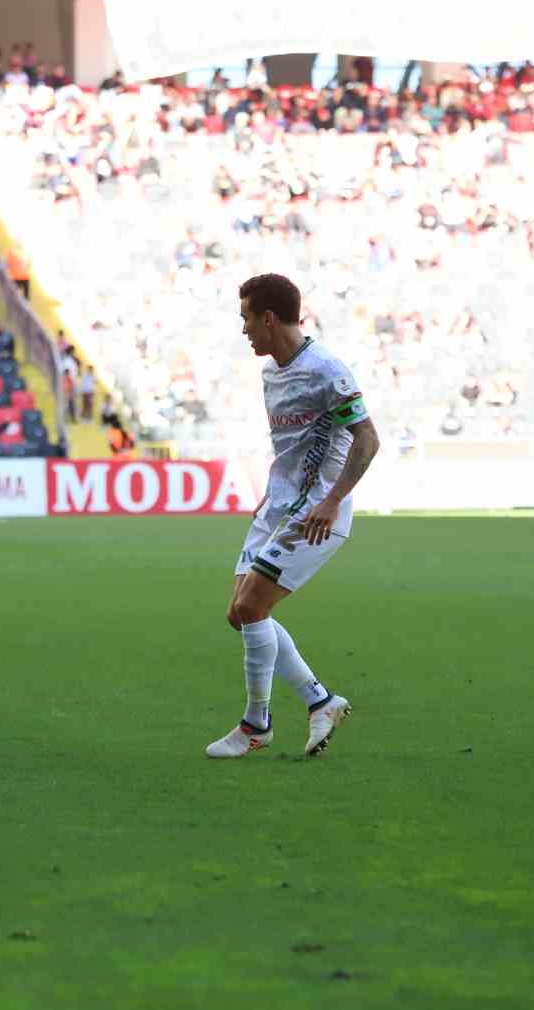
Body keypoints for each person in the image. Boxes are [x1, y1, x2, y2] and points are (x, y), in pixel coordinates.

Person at [206, 273, 378, 761]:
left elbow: (367, 439)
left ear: (268, 318)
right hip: (278, 509)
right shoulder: (270, 372)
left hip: (315, 512)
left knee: (251, 609)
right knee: (239, 614)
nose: (244, 332)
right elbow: (294, 446)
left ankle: (255, 725)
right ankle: (320, 701)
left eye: (246, 320)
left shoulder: (326, 370)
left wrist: (331, 501)